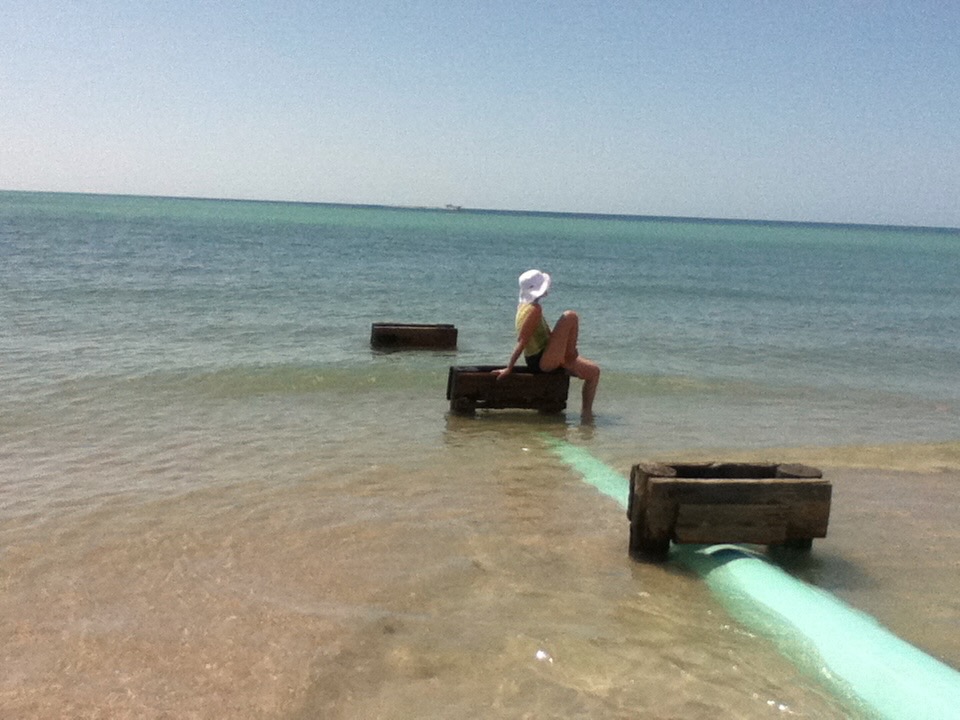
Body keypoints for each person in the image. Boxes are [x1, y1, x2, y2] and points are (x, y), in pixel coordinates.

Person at [493, 269, 600, 419]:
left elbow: (546, 335)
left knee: (594, 372)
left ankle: (586, 414)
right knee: (570, 316)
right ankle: (569, 358)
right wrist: (509, 367)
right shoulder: (534, 310)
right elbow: (522, 340)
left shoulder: (525, 306)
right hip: (540, 360)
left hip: (547, 356)